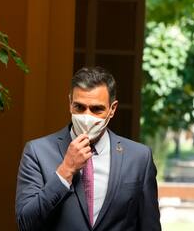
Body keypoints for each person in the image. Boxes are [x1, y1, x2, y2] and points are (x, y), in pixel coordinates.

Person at [15, 66, 161, 231]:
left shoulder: (139, 157)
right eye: (79, 107)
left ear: (112, 109)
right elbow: (26, 222)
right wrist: (65, 171)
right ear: (70, 103)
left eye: (97, 109)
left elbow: (149, 225)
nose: (87, 116)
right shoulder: (37, 151)